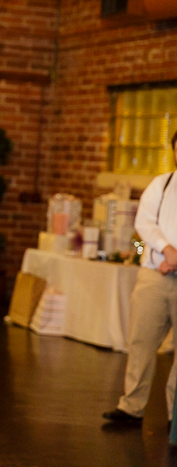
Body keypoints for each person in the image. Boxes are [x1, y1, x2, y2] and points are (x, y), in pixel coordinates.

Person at [103, 130, 177, 427]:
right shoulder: (162, 184)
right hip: (154, 277)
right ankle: (132, 407)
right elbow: (143, 224)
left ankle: (176, 418)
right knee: (141, 341)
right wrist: (166, 250)